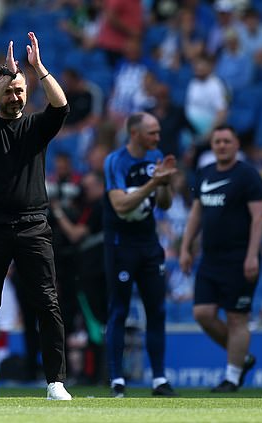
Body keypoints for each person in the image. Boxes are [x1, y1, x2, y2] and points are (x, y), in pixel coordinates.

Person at [0, 32, 72, 401]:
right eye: (10, 91)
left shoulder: (35, 128)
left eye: (20, 91)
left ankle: (55, 381)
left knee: (48, 303)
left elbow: (60, 107)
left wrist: (38, 70)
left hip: (33, 226)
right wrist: (6, 77)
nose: (16, 96)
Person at [179, 125, 262, 393]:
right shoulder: (205, 173)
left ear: (236, 144)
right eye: (217, 141)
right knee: (202, 313)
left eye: (227, 141)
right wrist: (185, 247)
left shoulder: (248, 175)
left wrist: (252, 255)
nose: (221, 145)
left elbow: (259, 216)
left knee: (237, 318)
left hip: (239, 258)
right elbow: (196, 213)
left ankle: (232, 376)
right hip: (210, 258)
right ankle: (242, 359)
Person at [103, 112, 179, 398]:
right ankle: (117, 380)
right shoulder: (115, 161)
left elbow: (166, 204)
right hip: (121, 244)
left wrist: (164, 183)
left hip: (149, 244)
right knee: (119, 310)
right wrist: (152, 183)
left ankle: (159, 378)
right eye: (152, 133)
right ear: (135, 134)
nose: (158, 138)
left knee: (156, 311)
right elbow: (120, 205)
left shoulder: (156, 156)